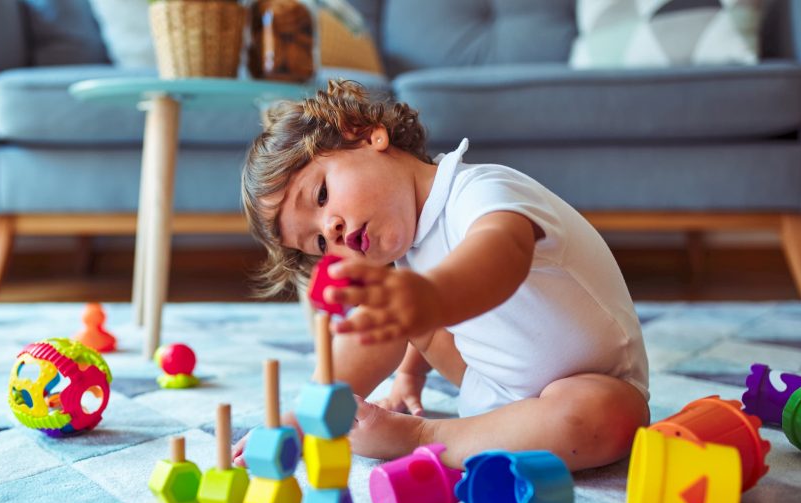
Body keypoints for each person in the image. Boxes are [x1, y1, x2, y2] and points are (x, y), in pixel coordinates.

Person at [236, 79, 650, 471]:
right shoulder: (407, 257)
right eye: (320, 245)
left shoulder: (479, 190)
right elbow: (382, 337)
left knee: (604, 417)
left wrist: (427, 298)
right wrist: (300, 418)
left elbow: (503, 253)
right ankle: (477, 434)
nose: (331, 230)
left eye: (321, 195)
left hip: (592, 385)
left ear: (367, 135)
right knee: (387, 315)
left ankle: (423, 437)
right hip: (490, 393)